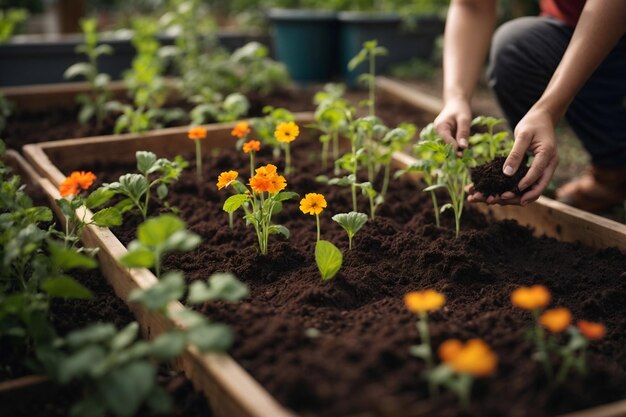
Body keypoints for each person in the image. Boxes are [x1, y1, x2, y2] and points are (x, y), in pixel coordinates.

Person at [434, 0, 626, 212]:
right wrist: (456, 97)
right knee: (517, 49)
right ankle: (614, 169)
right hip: (575, 30)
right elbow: (472, 5)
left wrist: (548, 109)